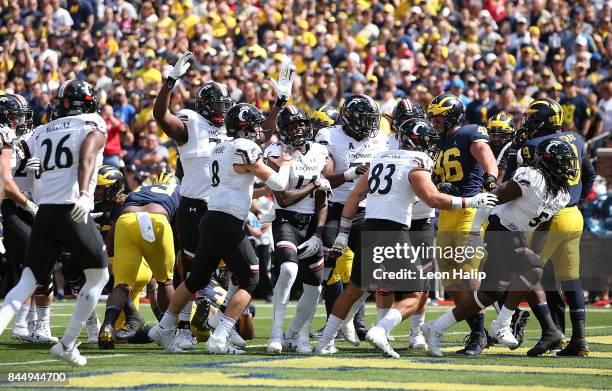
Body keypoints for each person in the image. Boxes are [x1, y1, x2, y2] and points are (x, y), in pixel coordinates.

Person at [315, 117, 498, 355]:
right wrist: (470, 200)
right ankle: (381, 329)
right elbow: (432, 199)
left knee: (354, 290)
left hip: (369, 227)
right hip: (394, 232)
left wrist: (343, 231)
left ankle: (324, 342)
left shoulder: (379, 157)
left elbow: (354, 196)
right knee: (417, 293)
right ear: (419, 141)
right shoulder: (418, 160)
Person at [148, 103, 292, 354]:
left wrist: (256, 207)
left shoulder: (220, 146)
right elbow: (279, 183)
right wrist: (287, 160)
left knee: (196, 279)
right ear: (245, 127)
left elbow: (236, 184)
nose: (259, 129)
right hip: (226, 221)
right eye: (255, 124)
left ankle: (163, 325)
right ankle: (221, 335)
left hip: (211, 218)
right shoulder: (243, 147)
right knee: (250, 277)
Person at [422, 138, 574, 357]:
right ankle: (502, 323)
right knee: (533, 268)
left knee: (486, 296)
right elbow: (491, 198)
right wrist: (474, 233)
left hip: (517, 235)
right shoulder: (532, 177)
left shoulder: (562, 194)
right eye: (564, 163)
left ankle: (435, 327)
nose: (568, 168)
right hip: (499, 229)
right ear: (551, 162)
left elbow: (544, 227)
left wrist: (538, 249)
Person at [0, 80, 109, 366]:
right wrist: (85, 194)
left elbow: (13, 151)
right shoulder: (92, 121)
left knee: (26, 281)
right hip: (72, 209)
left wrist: (12, 146)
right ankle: (68, 343)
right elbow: (86, 155)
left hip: (45, 212)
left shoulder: (43, 130)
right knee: (100, 276)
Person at [153, 51, 233, 350]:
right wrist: (170, 82)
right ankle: (182, 328)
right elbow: (161, 115)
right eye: (216, 105)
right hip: (193, 206)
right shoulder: (191, 121)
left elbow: (259, 132)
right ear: (202, 105)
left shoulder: (230, 127)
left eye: (225, 105)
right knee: (191, 273)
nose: (221, 110)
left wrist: (280, 105)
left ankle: (222, 322)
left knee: (232, 267)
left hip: (223, 206)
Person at [506, 98, 596, 357]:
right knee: (570, 279)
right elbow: (590, 174)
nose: (526, 123)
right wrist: (578, 200)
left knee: (530, 273)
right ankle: (579, 339)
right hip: (573, 216)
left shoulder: (533, 144)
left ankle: (550, 332)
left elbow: (515, 184)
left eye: (531, 118)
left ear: (542, 120)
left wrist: (514, 153)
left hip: (550, 218)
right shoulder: (576, 139)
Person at [427, 93, 499, 357]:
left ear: (453, 116)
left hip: (471, 210)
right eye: (432, 118)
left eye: (438, 118)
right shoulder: (439, 142)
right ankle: (478, 330)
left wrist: (491, 180)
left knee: (467, 272)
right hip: (448, 212)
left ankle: (481, 333)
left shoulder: (470, 132)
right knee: (450, 276)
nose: (434, 123)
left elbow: (487, 158)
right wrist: (438, 186)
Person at [315, 94, 389, 345]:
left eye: (373, 119)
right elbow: (325, 178)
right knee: (326, 268)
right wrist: (350, 173)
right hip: (335, 207)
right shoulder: (329, 136)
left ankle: (348, 321)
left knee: (367, 271)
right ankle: (306, 329)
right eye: (366, 119)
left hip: (368, 209)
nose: (371, 125)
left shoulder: (381, 138)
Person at [264, 105, 331, 354]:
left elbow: (324, 197)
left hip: (311, 222)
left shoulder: (320, 152)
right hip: (286, 220)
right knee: (289, 269)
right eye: (292, 126)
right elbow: (284, 199)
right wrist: (314, 183)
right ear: (283, 130)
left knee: (315, 287)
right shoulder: (276, 152)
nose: (299, 129)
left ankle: (294, 334)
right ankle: (275, 334)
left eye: (301, 124)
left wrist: (318, 233)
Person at [98, 171, 180, 349]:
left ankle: (107, 326)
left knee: (121, 285)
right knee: (165, 282)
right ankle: (170, 331)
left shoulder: (140, 191)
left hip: (126, 221)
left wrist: (110, 244)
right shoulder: (180, 191)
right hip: (157, 218)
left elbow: (116, 222)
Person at [0, 94, 55, 344]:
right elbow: (5, 184)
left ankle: (27, 324)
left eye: (21, 115)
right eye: (15, 115)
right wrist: (29, 204)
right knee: (36, 265)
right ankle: (30, 325)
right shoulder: (5, 137)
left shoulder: (30, 136)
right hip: (13, 205)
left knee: (32, 268)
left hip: (25, 204)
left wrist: (43, 168)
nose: (20, 120)